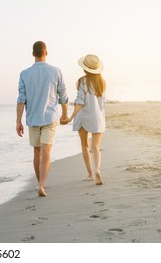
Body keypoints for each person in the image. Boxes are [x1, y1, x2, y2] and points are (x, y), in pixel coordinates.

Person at [16, 41, 69, 197]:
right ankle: (42, 185)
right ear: (47, 53)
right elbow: (63, 95)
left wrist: (18, 121)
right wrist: (65, 113)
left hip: (32, 118)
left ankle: (39, 183)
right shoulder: (56, 71)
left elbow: (21, 99)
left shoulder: (24, 74)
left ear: (33, 54)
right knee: (46, 151)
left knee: (37, 151)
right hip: (50, 118)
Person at [61, 54, 106, 185]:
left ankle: (90, 174)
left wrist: (70, 118)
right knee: (96, 147)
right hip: (97, 117)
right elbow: (102, 103)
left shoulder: (82, 81)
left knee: (85, 145)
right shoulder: (102, 83)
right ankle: (97, 169)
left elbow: (80, 102)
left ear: (85, 68)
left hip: (83, 117)